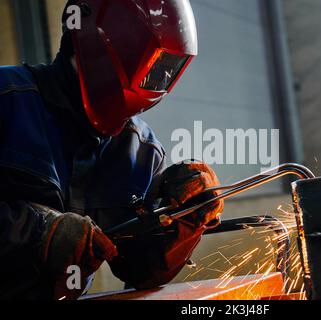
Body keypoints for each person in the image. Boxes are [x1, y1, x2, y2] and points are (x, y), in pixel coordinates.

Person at [0, 0, 223, 299]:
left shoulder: (141, 149)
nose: (156, 77)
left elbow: (139, 269)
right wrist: (38, 233)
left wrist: (185, 219)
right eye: (152, 65)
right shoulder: (8, 99)